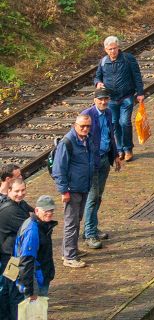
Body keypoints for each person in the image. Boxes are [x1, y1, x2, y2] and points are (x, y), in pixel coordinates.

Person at [50, 114, 95, 268]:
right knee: (71, 222)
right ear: (75, 125)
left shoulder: (87, 139)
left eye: (88, 126)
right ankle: (69, 256)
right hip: (73, 189)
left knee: (77, 220)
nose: (85, 129)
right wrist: (64, 191)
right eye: (82, 126)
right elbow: (58, 169)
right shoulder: (67, 142)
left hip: (83, 186)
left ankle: (70, 249)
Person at [92, 37, 143, 162]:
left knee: (124, 122)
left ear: (118, 47)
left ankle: (128, 149)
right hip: (111, 99)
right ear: (105, 49)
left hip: (126, 96)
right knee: (114, 124)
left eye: (114, 48)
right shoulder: (103, 62)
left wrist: (140, 93)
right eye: (110, 49)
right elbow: (97, 76)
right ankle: (119, 149)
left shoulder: (128, 58)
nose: (113, 51)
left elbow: (137, 76)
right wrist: (98, 83)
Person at [80, 90, 119, 250]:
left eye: (106, 99)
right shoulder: (87, 115)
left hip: (104, 158)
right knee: (92, 197)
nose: (103, 102)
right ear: (94, 100)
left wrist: (115, 155)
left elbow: (111, 134)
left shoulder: (108, 113)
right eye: (100, 99)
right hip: (91, 162)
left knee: (99, 196)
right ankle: (89, 233)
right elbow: (80, 138)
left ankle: (92, 226)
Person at [10, 196, 55, 320]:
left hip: (40, 276)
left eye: (51, 210)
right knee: (35, 314)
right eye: (46, 211)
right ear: (36, 211)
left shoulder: (38, 224)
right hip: (37, 280)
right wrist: (31, 291)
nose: (49, 213)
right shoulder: (32, 230)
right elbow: (26, 262)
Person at [0, 178, 32, 319]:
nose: (20, 194)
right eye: (16, 191)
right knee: (15, 292)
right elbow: (31, 226)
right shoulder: (10, 210)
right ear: (8, 191)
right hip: (10, 258)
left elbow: (34, 213)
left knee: (8, 290)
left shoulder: (19, 204)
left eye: (23, 190)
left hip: (12, 254)